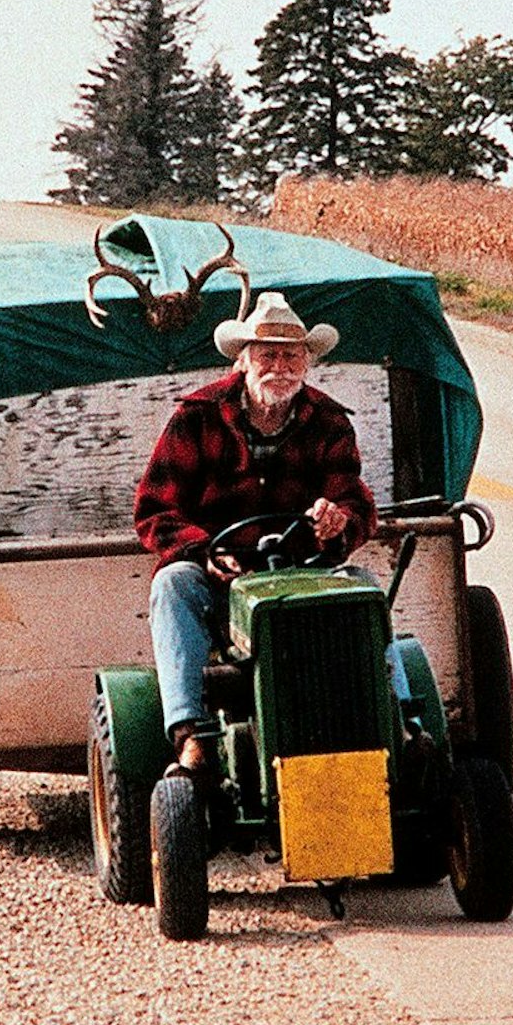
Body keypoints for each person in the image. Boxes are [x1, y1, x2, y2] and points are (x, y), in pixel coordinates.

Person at [134, 292, 377, 779]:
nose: (280, 367)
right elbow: (155, 509)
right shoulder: (197, 416)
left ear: (307, 363)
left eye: (292, 356)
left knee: (363, 588)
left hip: (301, 569)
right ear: (243, 361)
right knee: (171, 584)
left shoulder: (329, 421)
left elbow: (353, 500)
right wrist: (204, 551)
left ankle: (398, 725)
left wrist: (337, 520)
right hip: (220, 573)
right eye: (268, 355)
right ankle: (189, 738)